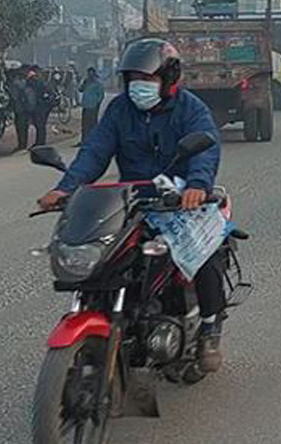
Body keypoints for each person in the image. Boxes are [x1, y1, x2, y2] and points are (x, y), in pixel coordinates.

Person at [36, 39, 229, 372]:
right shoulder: (119, 109)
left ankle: (209, 327)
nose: (139, 85)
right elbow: (95, 151)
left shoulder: (191, 109)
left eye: (148, 78)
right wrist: (65, 188)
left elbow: (204, 150)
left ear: (168, 78)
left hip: (182, 201)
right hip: (133, 200)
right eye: (134, 78)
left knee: (205, 253)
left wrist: (197, 185)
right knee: (109, 258)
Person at [26, 66, 53, 147]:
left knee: (40, 125)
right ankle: (40, 142)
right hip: (42, 106)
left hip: (41, 106)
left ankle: (40, 143)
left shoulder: (37, 82)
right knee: (40, 125)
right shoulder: (42, 81)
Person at [78, 67, 104, 143]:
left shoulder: (98, 84)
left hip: (93, 107)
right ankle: (84, 140)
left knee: (92, 124)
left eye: (91, 73)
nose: (89, 75)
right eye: (88, 73)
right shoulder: (86, 82)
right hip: (85, 106)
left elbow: (101, 96)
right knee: (84, 124)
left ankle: (92, 140)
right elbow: (80, 90)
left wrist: (96, 104)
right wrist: (83, 83)